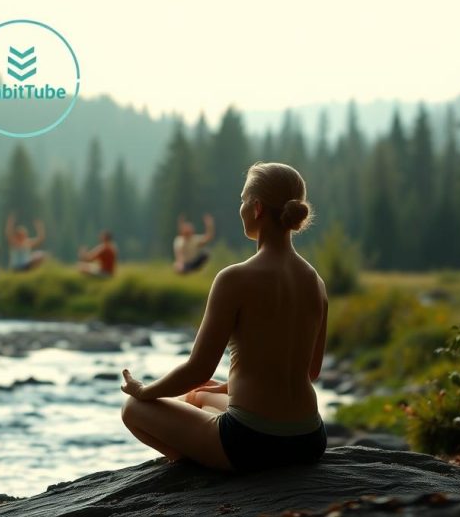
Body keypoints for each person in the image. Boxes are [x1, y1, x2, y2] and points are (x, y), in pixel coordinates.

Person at [120, 162, 327, 474]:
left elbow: (198, 368)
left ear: (256, 208)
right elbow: (310, 371)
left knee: (132, 409)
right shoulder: (316, 281)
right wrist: (231, 387)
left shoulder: (235, 278)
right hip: (310, 438)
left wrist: (144, 390)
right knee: (199, 395)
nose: (240, 207)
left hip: (250, 442)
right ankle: (208, 451)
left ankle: (203, 470)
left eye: (243, 200)